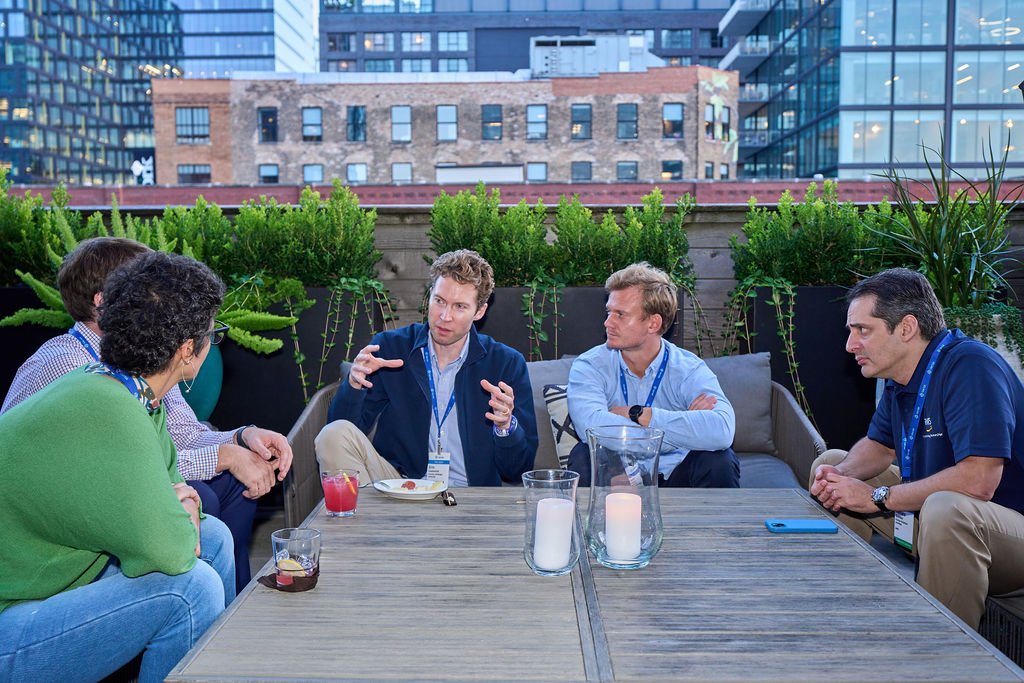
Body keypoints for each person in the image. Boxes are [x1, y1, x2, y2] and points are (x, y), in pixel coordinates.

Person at [1, 237, 293, 593]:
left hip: (95, 499)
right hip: (39, 557)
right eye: (145, 286)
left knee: (226, 494)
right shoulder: (76, 369)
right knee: (197, 551)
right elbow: (130, 467)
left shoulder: (140, 369)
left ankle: (234, 609)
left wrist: (242, 438)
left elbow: (182, 434)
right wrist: (216, 466)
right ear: (104, 302)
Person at [0, 251, 237, 682]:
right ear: (187, 352)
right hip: (9, 619)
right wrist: (176, 521)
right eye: (212, 334)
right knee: (191, 591)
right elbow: (172, 549)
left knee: (216, 537)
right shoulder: (110, 409)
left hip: (49, 584)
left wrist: (177, 519)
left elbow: (186, 518)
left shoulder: (133, 395)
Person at [809, 267, 1024, 628]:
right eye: (851, 331)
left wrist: (876, 497)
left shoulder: (970, 365)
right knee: (832, 463)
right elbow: (878, 448)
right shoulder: (901, 378)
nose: (850, 345)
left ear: (906, 328)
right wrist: (839, 478)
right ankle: (845, 617)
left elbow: (980, 480)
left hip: (1007, 536)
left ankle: (938, 655)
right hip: (939, 522)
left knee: (948, 509)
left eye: (863, 330)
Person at [317, 249, 538, 486]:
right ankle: (369, 521)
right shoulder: (390, 348)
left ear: (479, 311)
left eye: (459, 307)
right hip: (401, 487)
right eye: (439, 301)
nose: (444, 316)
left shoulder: (506, 364)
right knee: (333, 435)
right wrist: (354, 386)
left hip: (472, 499)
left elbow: (517, 469)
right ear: (429, 296)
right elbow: (344, 431)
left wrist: (506, 427)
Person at [567, 262, 739, 487]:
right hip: (617, 471)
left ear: (653, 323)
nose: (607, 322)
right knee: (583, 454)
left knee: (720, 460)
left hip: (676, 474)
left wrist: (637, 414)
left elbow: (722, 430)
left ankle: (710, 524)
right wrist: (682, 430)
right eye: (609, 312)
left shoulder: (688, 368)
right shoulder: (590, 365)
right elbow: (591, 428)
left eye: (620, 314)